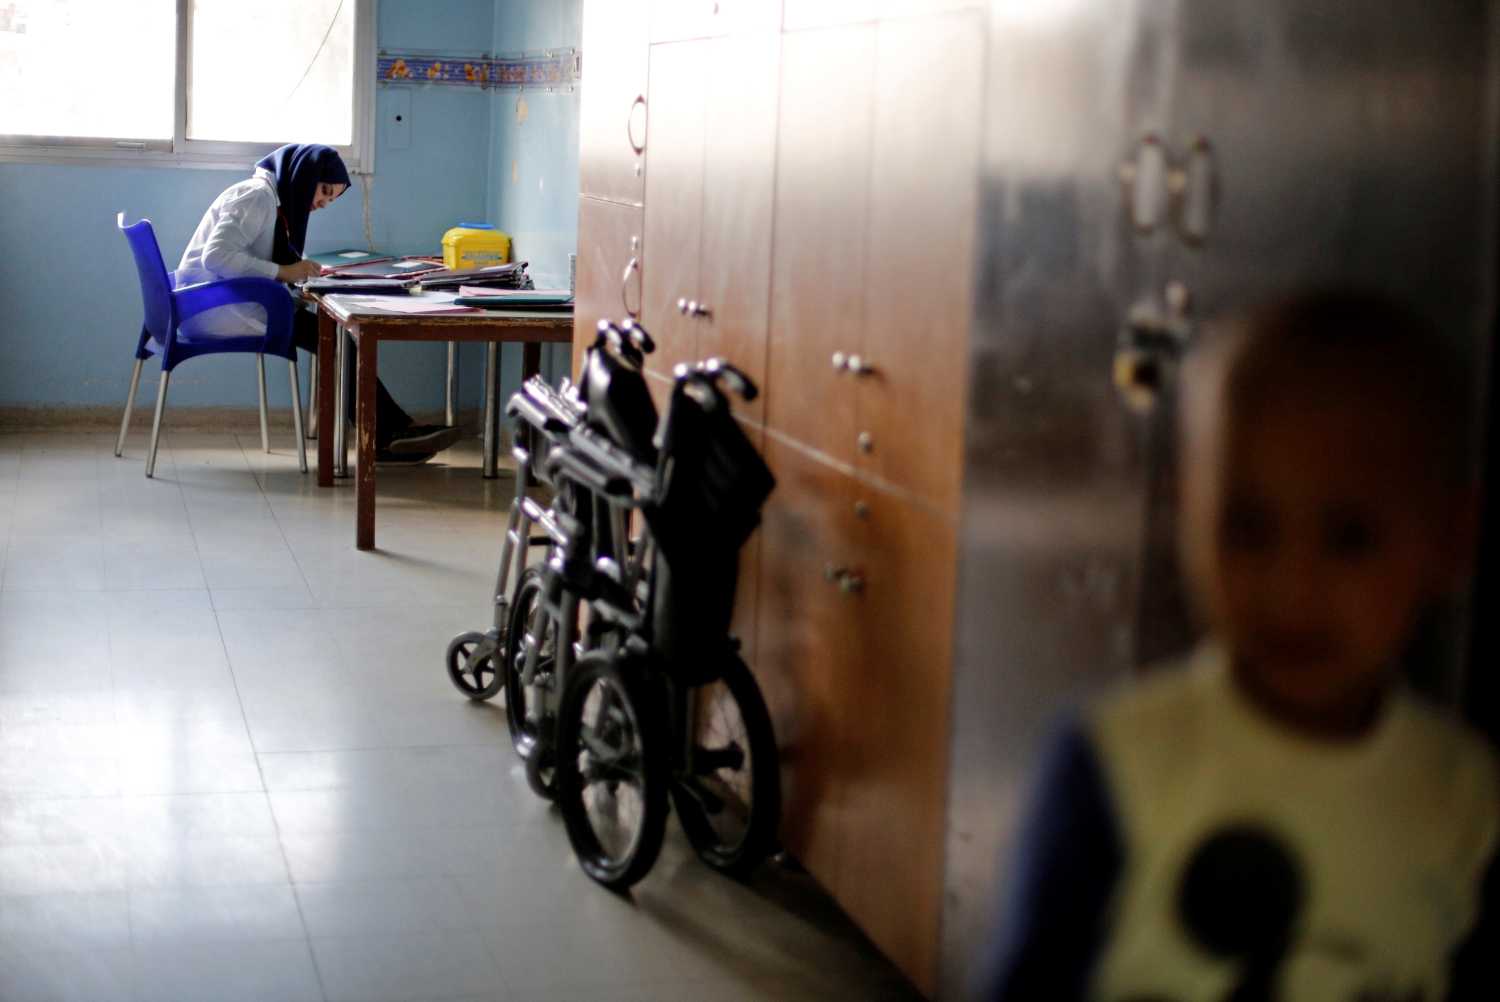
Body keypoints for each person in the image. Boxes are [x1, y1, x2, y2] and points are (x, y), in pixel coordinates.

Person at [980, 291, 1498, 1001]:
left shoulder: (1468, 799)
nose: (1291, 586)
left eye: (1350, 536)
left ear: (1449, 541)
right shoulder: (1113, 762)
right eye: (1247, 526)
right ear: (1188, 513)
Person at [175, 142, 462, 462]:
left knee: (335, 336)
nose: (322, 203)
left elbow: (246, 256)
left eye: (330, 199)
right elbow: (217, 257)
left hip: (220, 303)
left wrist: (292, 273)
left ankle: (388, 432)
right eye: (323, 191)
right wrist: (284, 271)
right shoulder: (257, 197)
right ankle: (387, 434)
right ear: (302, 175)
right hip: (213, 309)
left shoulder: (271, 199)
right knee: (336, 337)